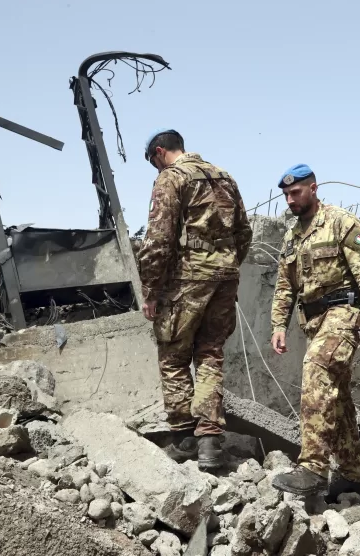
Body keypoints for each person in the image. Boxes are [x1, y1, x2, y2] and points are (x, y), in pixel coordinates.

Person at [269, 164, 360, 499]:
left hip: (345, 312)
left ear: (313, 188)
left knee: (317, 369)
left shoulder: (340, 222)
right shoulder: (292, 237)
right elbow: (284, 286)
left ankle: (312, 467)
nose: (290, 200)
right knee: (337, 401)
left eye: (296, 193)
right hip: (314, 322)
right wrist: (278, 325)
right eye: (286, 195)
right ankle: (353, 474)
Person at [137, 128, 253, 470]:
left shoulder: (171, 179)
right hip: (225, 278)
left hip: (187, 279)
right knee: (210, 355)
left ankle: (185, 438)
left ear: (160, 152)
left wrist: (151, 291)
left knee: (173, 355)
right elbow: (244, 232)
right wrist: (225, 265)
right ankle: (210, 444)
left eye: (153, 163)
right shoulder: (225, 177)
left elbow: (158, 239)